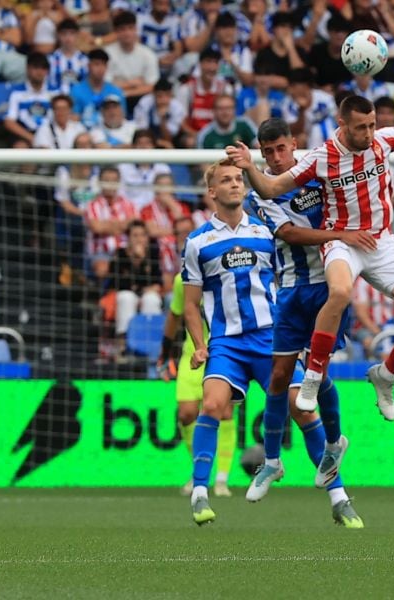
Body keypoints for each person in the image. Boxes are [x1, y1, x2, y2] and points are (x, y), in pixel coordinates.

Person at [226, 76, 394, 421]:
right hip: (342, 241)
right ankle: (313, 376)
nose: (369, 133)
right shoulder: (321, 157)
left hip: (381, 242)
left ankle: (385, 375)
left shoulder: (384, 142)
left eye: (372, 125)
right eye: (361, 127)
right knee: (340, 290)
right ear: (341, 124)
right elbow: (269, 190)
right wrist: (250, 167)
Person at [182, 160, 362, 527]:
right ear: (212, 192)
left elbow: (291, 282)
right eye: (226, 181)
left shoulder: (267, 233)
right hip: (227, 344)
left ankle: (339, 497)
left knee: (301, 406)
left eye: (238, 179)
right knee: (212, 403)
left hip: (270, 338)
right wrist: (200, 345)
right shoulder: (197, 242)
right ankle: (200, 493)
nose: (235, 184)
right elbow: (190, 303)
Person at [243, 119, 368, 526]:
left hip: (331, 286)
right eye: (268, 152)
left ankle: (334, 446)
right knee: (279, 375)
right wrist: (340, 234)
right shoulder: (259, 194)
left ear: (294, 145)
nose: (276, 158)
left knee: (315, 380)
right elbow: (290, 234)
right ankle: (273, 461)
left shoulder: (321, 171)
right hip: (293, 289)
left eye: (281, 149)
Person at [157, 215, 237, 498]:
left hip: (226, 352)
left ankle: (222, 479)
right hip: (192, 354)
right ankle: (198, 470)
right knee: (187, 413)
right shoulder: (183, 281)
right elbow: (175, 316)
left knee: (225, 412)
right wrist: (164, 353)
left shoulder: (228, 274)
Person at [108, 220, 163, 339]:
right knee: (126, 297)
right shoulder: (120, 254)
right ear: (128, 238)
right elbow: (117, 282)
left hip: (145, 294)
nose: (139, 239)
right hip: (126, 294)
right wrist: (135, 260)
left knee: (151, 299)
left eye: (143, 235)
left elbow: (157, 282)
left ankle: (150, 342)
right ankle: (124, 342)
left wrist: (143, 260)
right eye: (135, 235)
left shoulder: (153, 253)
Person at [70, 49, 126, 129]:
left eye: (104, 65)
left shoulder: (116, 91)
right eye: (96, 64)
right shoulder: (76, 91)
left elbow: (122, 118)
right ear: (89, 66)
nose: (100, 69)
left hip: (111, 132)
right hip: (84, 132)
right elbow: (73, 119)